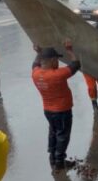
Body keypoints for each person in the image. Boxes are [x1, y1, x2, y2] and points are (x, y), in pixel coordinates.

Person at [32, 43, 81, 172]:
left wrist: (38, 52)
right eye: (57, 60)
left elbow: (35, 64)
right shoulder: (57, 74)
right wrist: (70, 50)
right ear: (53, 60)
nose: (58, 63)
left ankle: (53, 157)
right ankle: (59, 162)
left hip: (48, 110)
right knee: (62, 136)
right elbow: (76, 64)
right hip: (62, 111)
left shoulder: (35, 73)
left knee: (53, 133)